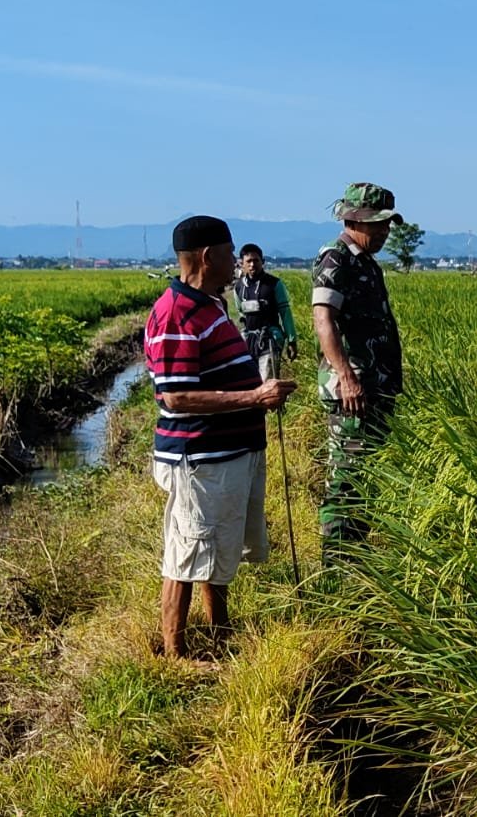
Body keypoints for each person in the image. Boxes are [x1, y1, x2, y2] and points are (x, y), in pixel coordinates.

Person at [144, 215, 296, 659]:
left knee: (216, 548)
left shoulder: (210, 304)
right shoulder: (175, 314)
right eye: (231, 254)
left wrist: (256, 397)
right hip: (199, 459)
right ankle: (175, 653)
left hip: (226, 455)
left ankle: (220, 633)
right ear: (208, 256)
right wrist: (254, 397)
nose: (237, 262)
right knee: (187, 552)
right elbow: (176, 397)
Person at [312, 182, 405, 555]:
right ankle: (336, 564)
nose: (384, 231)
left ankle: (357, 555)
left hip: (374, 389)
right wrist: (347, 378)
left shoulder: (365, 262)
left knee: (367, 475)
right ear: (354, 220)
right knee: (347, 477)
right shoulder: (337, 259)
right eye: (378, 223)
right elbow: (324, 320)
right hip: (352, 393)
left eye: (386, 224)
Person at [232, 243, 299, 381]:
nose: (252, 265)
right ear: (242, 263)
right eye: (248, 261)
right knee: (250, 383)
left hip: (270, 340)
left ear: (262, 261)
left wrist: (292, 340)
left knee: (268, 382)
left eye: (256, 260)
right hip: (248, 342)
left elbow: (285, 313)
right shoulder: (238, 287)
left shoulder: (274, 284)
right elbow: (241, 313)